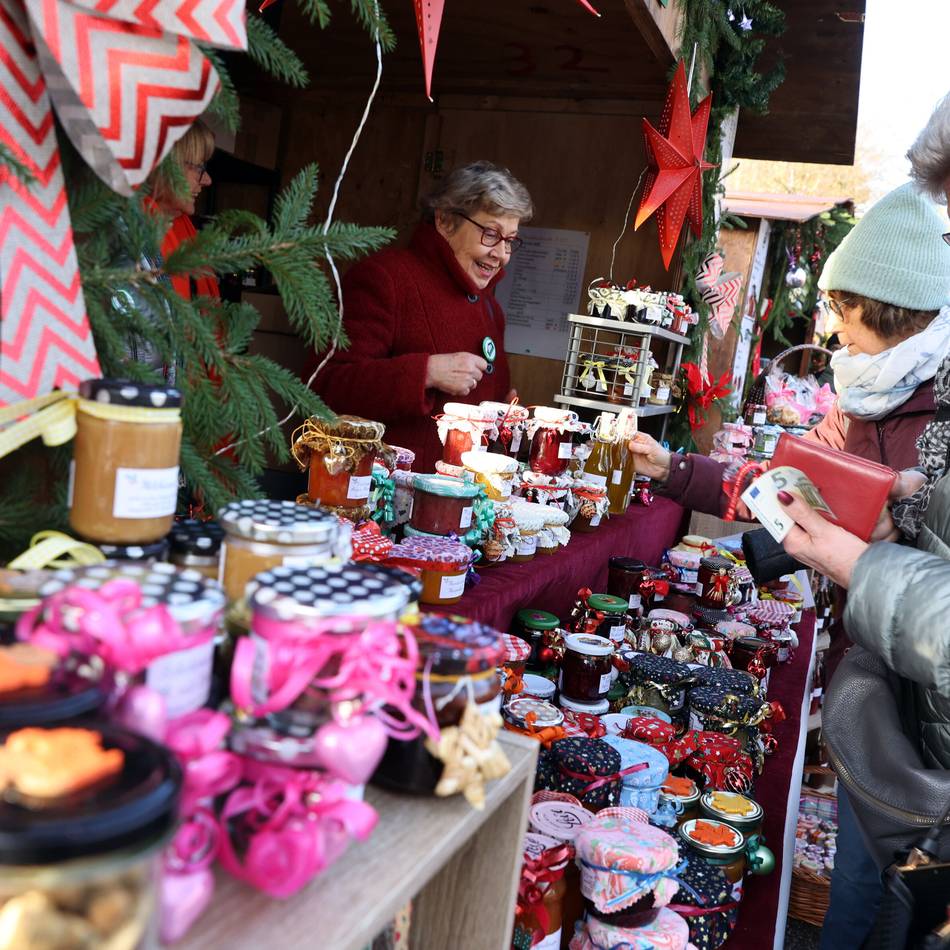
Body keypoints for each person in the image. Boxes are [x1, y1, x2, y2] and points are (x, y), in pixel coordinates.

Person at [628, 181, 950, 950]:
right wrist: (674, 468)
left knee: (901, 899)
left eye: (842, 306)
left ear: (888, 308)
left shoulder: (935, 410)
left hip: (931, 701)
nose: (830, 322)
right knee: (857, 882)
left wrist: (884, 533)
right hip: (870, 679)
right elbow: (785, 494)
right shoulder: (861, 397)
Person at [313, 160, 533, 471]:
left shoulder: (491, 309)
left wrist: (504, 415)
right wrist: (426, 372)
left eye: (510, 240)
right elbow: (326, 387)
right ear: (445, 221)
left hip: (465, 505)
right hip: (383, 503)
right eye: (490, 234)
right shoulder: (384, 278)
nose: (501, 254)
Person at [148, 119, 219, 300]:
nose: (207, 180)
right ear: (169, 167)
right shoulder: (133, 234)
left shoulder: (183, 230)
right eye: (199, 168)